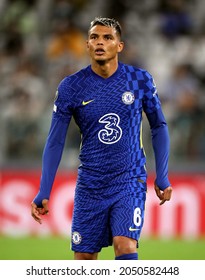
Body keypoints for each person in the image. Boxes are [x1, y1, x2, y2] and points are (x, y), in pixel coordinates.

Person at [31, 16, 172, 260]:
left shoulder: (139, 80)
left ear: (120, 46)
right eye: (94, 37)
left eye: (108, 37)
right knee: (84, 258)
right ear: (86, 44)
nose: (100, 42)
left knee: (125, 244)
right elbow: (55, 141)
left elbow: (158, 126)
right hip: (90, 183)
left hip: (129, 178)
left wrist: (163, 175)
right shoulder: (71, 87)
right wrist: (44, 190)